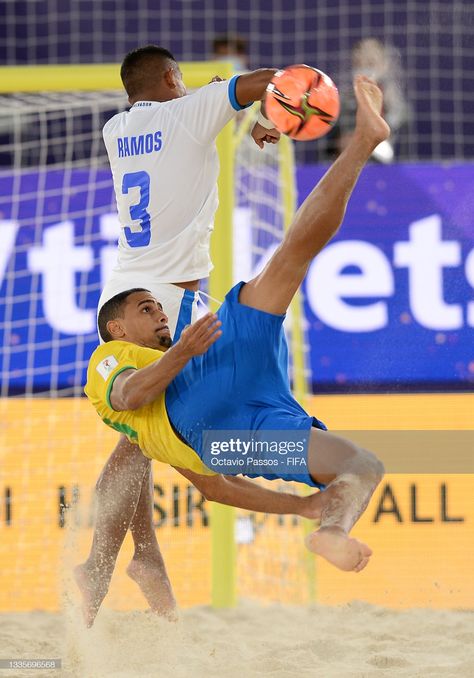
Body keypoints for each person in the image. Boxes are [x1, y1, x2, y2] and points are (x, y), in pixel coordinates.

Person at [80, 75, 388, 623]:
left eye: (155, 309)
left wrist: (301, 507)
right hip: (195, 373)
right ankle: (123, 564)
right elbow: (129, 398)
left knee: (361, 464)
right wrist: (269, 108)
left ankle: (329, 530)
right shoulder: (113, 358)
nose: (155, 315)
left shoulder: (119, 130)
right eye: (143, 312)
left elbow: (216, 487)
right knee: (290, 258)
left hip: (230, 434)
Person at [77, 44, 297, 626]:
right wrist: (273, 110)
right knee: (157, 436)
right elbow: (271, 79)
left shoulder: (116, 128)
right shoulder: (187, 110)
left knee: (143, 433)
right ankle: (105, 561)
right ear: (172, 79)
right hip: (162, 299)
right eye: (181, 81)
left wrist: (234, 109)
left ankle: (143, 557)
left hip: (128, 289)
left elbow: (197, 115)